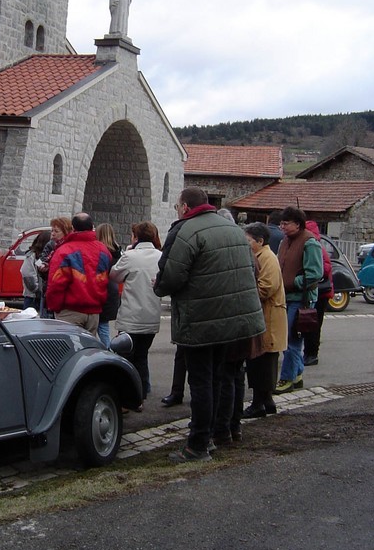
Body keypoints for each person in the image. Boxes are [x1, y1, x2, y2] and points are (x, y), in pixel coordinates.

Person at [154, 186, 265, 463]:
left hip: (202, 320)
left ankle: (197, 445)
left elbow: (171, 276)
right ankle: (215, 435)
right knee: (217, 379)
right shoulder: (235, 231)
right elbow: (250, 271)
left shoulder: (186, 230)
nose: (177, 211)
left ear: (186, 207)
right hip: (234, 320)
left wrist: (159, 287)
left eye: (178, 206)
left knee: (202, 382)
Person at [110, 222, 163, 408]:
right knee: (142, 355)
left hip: (131, 316)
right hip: (151, 315)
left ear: (136, 237)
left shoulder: (130, 256)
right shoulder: (161, 256)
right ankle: (143, 391)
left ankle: (130, 396)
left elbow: (114, 275)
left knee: (127, 357)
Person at [275, 206, 323, 394]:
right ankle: (297, 374)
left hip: (300, 300)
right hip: (286, 297)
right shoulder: (285, 241)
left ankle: (287, 379)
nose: (282, 227)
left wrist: (291, 281)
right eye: (281, 223)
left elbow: (315, 274)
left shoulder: (310, 242)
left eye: (286, 223)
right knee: (290, 338)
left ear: (298, 224)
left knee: (291, 341)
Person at [242, 222, 288, 417]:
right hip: (264, 318)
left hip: (268, 318)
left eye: (249, 240)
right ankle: (266, 401)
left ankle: (259, 403)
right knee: (260, 362)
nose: (246, 244)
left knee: (263, 362)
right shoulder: (261, 255)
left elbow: (266, 288)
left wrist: (245, 292)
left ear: (260, 241)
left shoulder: (267, 258)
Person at [45, 213, 112, 335]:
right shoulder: (104, 250)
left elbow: (56, 284)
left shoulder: (64, 251)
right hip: (94, 312)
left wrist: (54, 307)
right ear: (92, 226)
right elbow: (106, 280)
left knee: (68, 350)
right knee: (88, 350)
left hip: (70, 311)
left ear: (73, 228)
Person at [303, 220, 334, 366]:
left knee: (313, 324)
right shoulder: (316, 244)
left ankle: (312, 354)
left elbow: (325, 268)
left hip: (320, 292)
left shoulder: (314, 245)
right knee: (311, 324)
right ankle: (310, 353)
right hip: (319, 292)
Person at [36, 216, 72, 317]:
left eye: (56, 231)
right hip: (49, 290)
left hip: (63, 294)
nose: (52, 234)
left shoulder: (68, 247)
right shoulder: (52, 245)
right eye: (52, 230)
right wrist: (44, 269)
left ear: (65, 232)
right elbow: (43, 261)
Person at [95, 223, 123, 348]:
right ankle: (107, 349)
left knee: (99, 326)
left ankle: (107, 350)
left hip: (101, 290)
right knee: (103, 325)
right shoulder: (118, 252)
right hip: (112, 290)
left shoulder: (100, 252)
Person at [20, 230, 51, 310]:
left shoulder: (46, 256)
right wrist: (36, 290)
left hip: (44, 297)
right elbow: (27, 274)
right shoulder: (32, 256)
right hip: (33, 298)